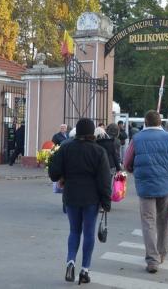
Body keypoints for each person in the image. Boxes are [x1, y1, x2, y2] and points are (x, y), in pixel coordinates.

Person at [48, 118, 112, 284]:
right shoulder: (99, 151)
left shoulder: (66, 147)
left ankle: (70, 262)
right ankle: (85, 270)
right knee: (88, 233)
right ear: (92, 133)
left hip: (71, 196)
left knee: (74, 231)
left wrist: (63, 176)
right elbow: (104, 180)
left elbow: (53, 173)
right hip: (91, 198)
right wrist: (106, 202)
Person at [124, 110, 168, 274]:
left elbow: (127, 162)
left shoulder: (137, 139)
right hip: (166, 186)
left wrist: (133, 170)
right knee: (163, 220)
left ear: (145, 122)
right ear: (160, 123)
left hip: (145, 187)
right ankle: (162, 253)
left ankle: (152, 259)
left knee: (148, 222)